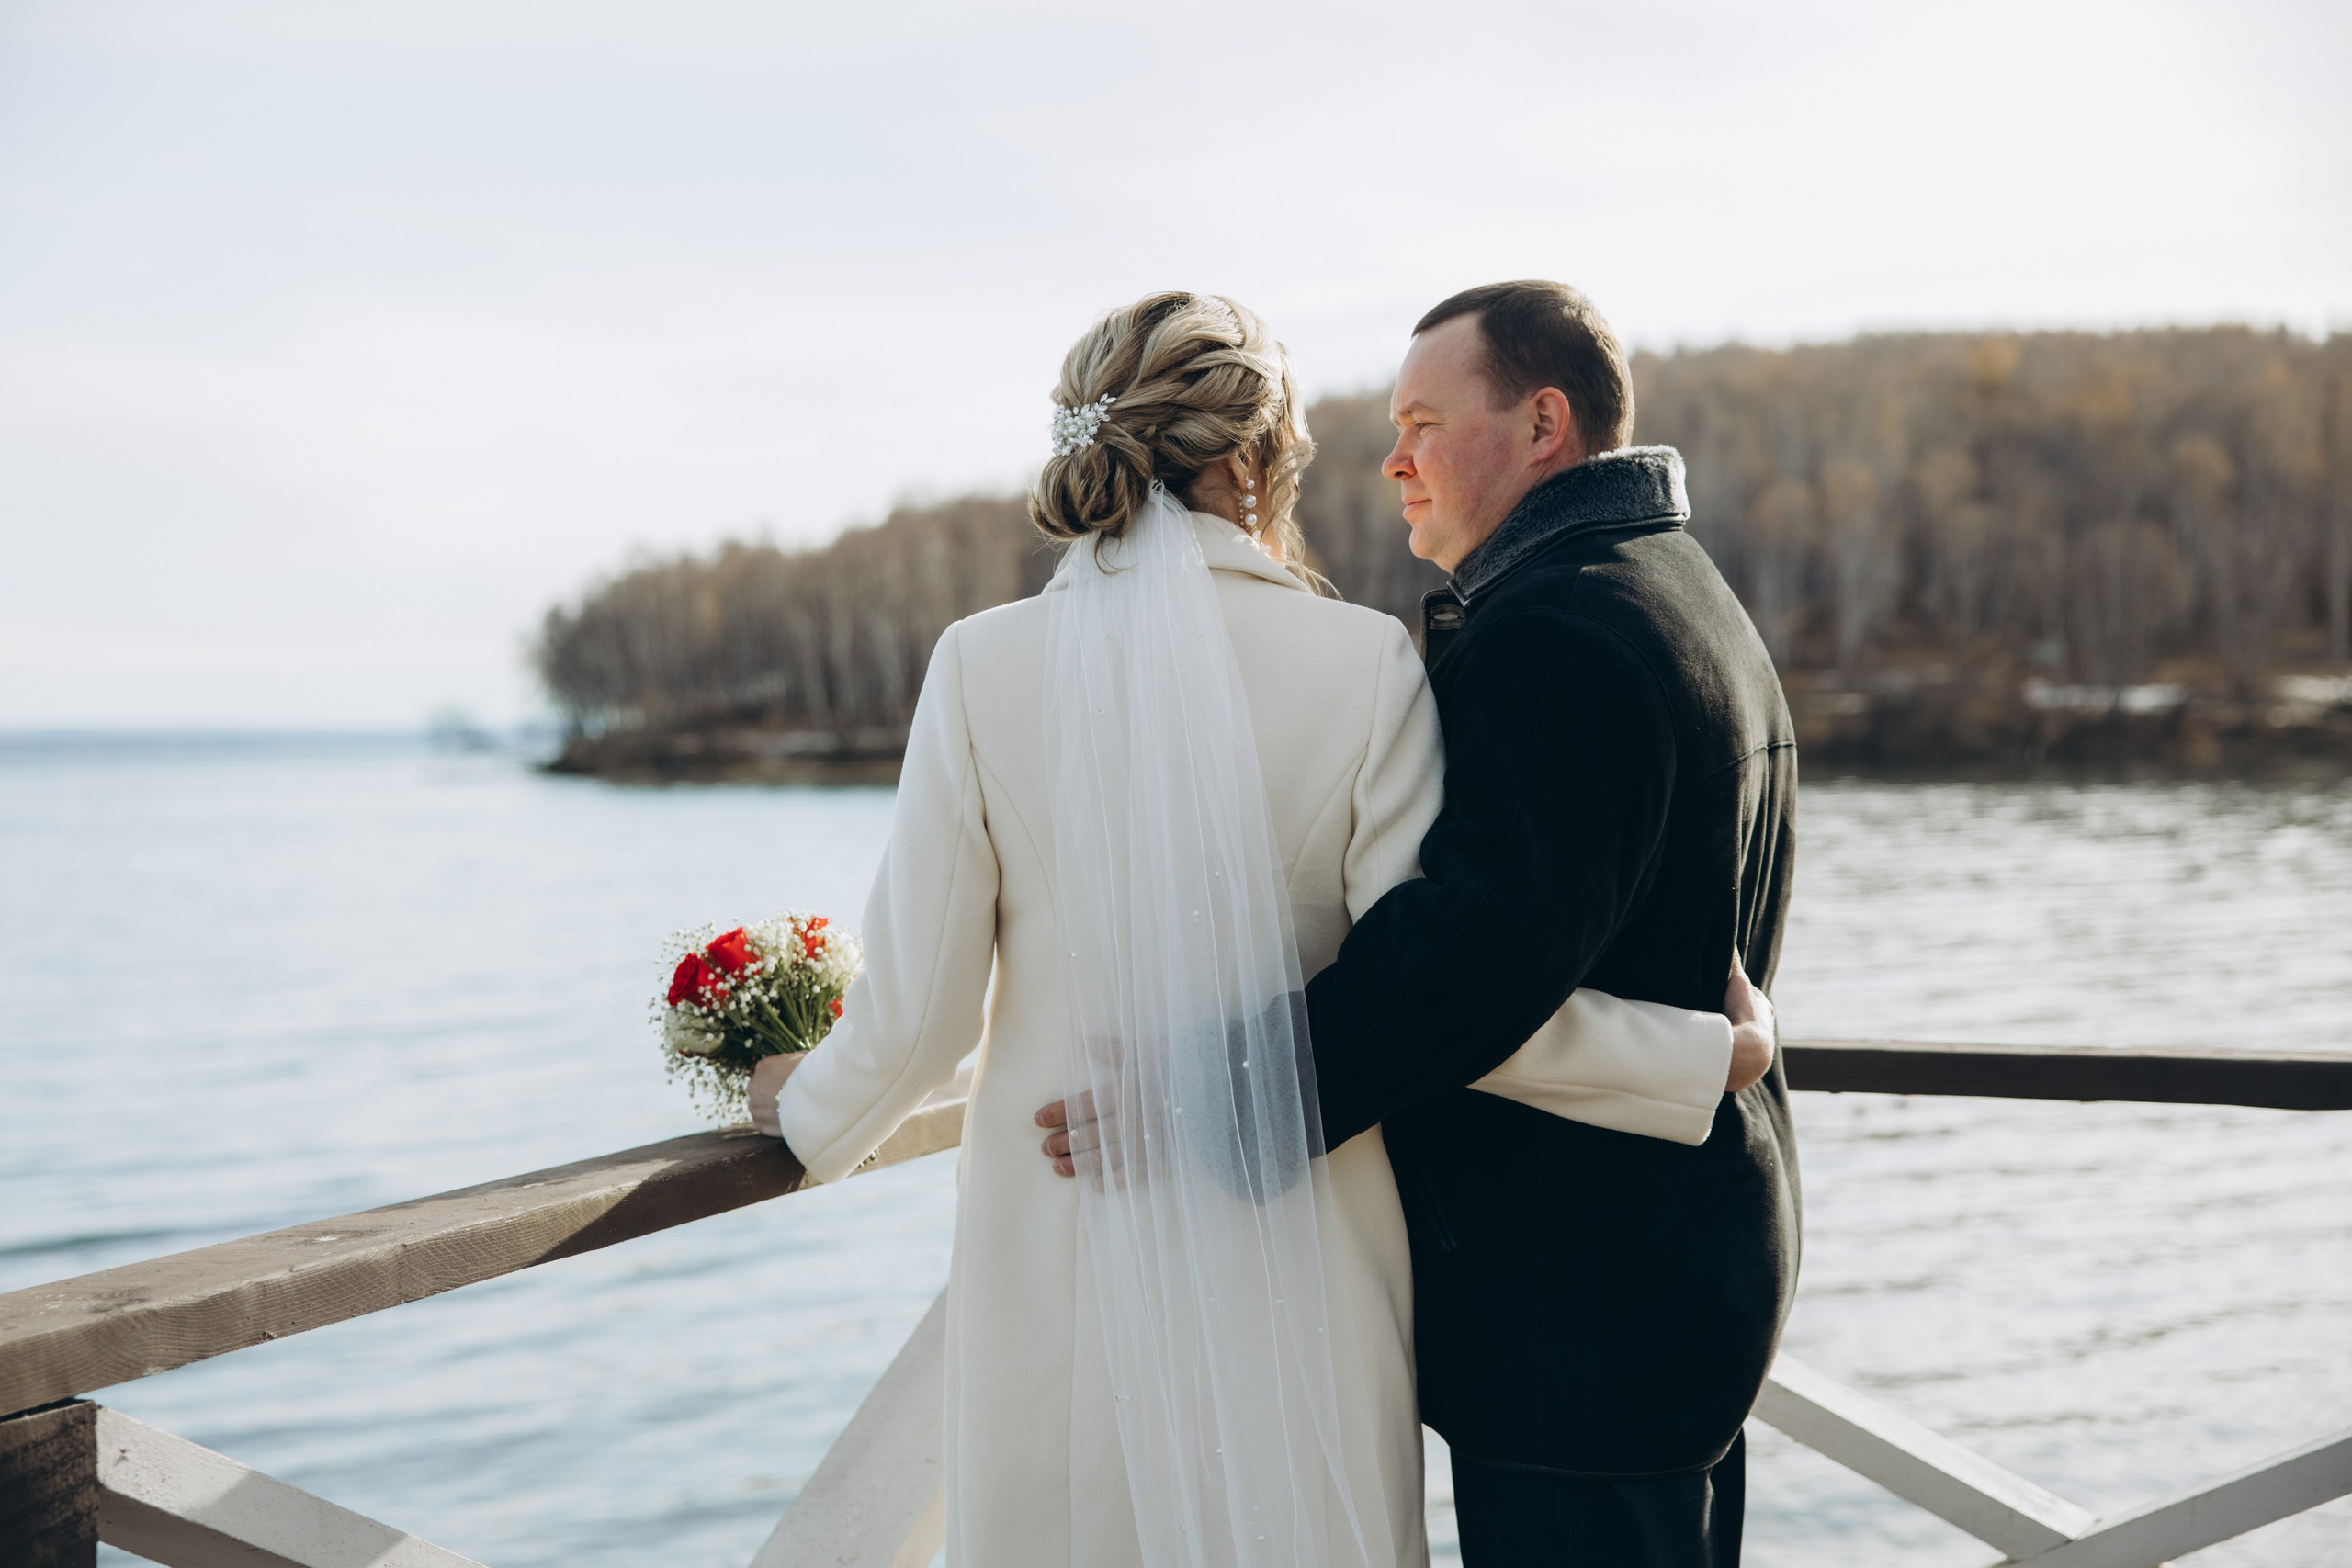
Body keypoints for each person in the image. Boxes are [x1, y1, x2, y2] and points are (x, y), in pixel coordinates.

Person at [749, 291, 1770, 1568]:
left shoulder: (979, 666)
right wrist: (1686, 1058)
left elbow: (916, 1030)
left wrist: (798, 1113)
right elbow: (1453, 1000)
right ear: (1257, 456)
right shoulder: (1366, 664)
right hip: (1310, 1248)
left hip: (1066, 1248)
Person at [1263, 281, 1803, 1567]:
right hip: (1679, 1271)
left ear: (1544, 423)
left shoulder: (1559, 633)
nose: (1392, 459)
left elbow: (1466, 968)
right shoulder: (1681, 592)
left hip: (1591, 1318)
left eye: (1423, 421)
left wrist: (1224, 1095)